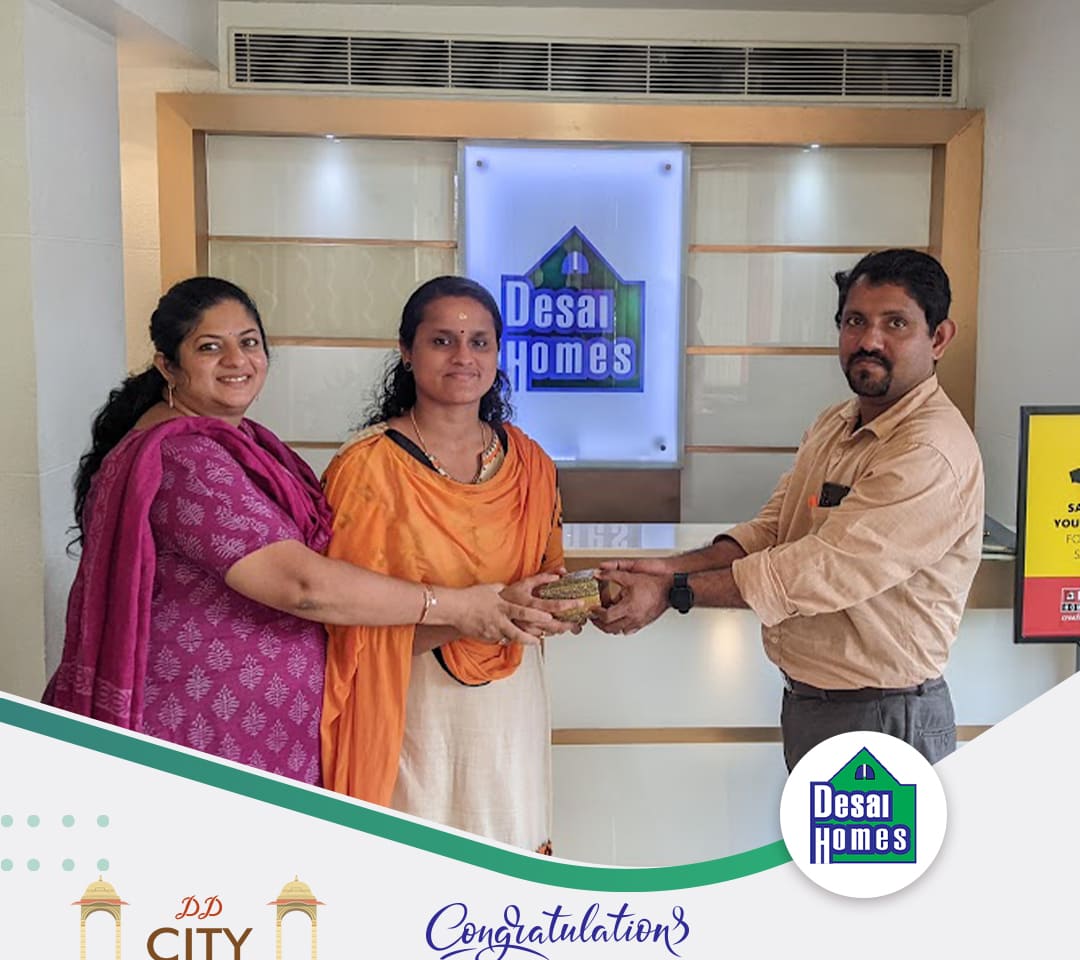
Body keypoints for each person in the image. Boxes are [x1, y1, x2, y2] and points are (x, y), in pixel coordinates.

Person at [44, 276, 564, 784]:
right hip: (209, 734)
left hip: (269, 731)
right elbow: (304, 585)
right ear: (168, 365)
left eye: (249, 342)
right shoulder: (186, 460)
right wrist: (459, 608)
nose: (237, 361)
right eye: (210, 347)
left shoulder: (247, 443)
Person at [593, 249, 985, 770]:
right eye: (855, 321)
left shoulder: (928, 450)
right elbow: (774, 530)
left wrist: (673, 592)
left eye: (896, 323)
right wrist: (668, 568)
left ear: (938, 338)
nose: (869, 340)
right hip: (816, 706)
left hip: (885, 718)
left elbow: (820, 570)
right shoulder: (835, 424)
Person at [320, 276, 573, 852]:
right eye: (442, 341)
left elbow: (547, 581)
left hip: (510, 700)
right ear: (407, 351)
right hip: (410, 702)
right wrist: (465, 617)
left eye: (479, 342)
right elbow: (340, 621)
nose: (463, 356)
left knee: (510, 846)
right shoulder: (367, 468)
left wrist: (569, 604)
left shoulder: (530, 464)